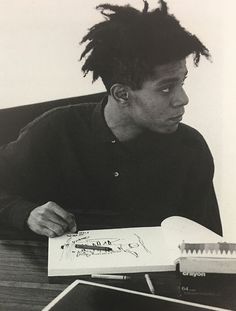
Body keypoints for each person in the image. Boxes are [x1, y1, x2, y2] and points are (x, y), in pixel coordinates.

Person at [0, 0, 222, 238]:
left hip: (154, 275)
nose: (183, 99)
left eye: (182, 82)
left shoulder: (191, 149)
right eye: (166, 88)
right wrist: (26, 213)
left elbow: (209, 248)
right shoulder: (54, 130)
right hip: (49, 272)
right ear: (121, 94)